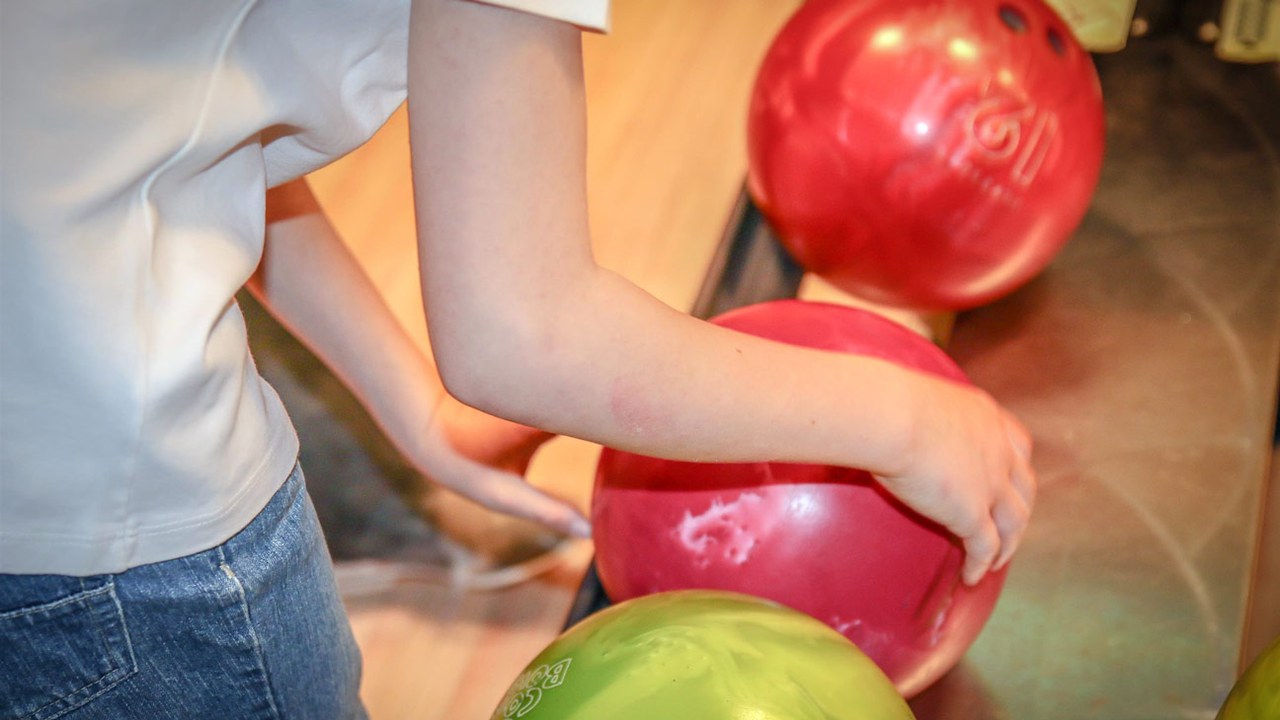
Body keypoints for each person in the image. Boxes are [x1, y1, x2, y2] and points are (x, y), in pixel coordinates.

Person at [0, 0, 1036, 717]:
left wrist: (415, 412)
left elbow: (181, 134)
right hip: (100, 545)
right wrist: (906, 420)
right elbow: (527, 332)